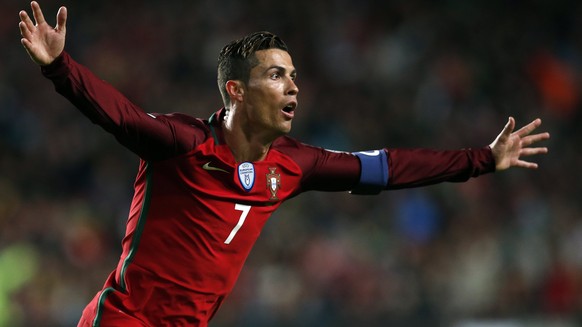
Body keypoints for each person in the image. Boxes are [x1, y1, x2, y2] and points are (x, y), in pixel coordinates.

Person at [18, 2, 550, 326]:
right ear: (236, 91)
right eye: (275, 75)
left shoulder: (296, 165)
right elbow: (120, 116)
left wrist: (483, 159)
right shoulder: (182, 142)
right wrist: (60, 67)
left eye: (293, 75)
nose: (293, 84)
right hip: (123, 321)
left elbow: (385, 168)